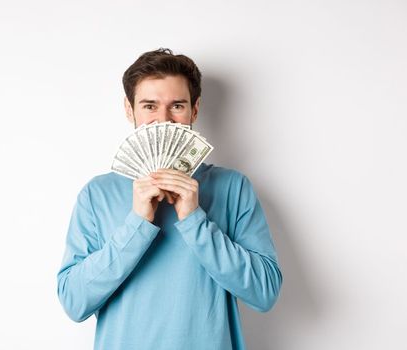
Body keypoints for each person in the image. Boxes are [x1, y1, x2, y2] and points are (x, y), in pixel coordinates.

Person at [55, 48, 282, 349]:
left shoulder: (233, 187)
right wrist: (137, 223)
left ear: (195, 109)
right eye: (149, 106)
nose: (163, 120)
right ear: (129, 109)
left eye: (177, 105)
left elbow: (264, 293)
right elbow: (74, 301)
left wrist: (194, 220)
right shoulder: (97, 195)